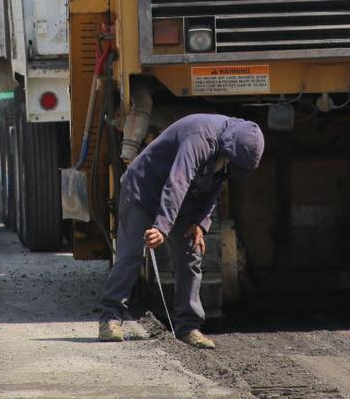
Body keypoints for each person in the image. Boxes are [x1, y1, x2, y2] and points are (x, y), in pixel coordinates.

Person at [97, 114, 265, 349]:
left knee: (190, 253)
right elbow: (178, 181)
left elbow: (215, 187)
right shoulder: (200, 137)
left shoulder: (228, 149)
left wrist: (199, 222)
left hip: (179, 200)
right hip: (143, 191)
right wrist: (161, 227)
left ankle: (188, 327)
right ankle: (110, 318)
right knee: (131, 254)